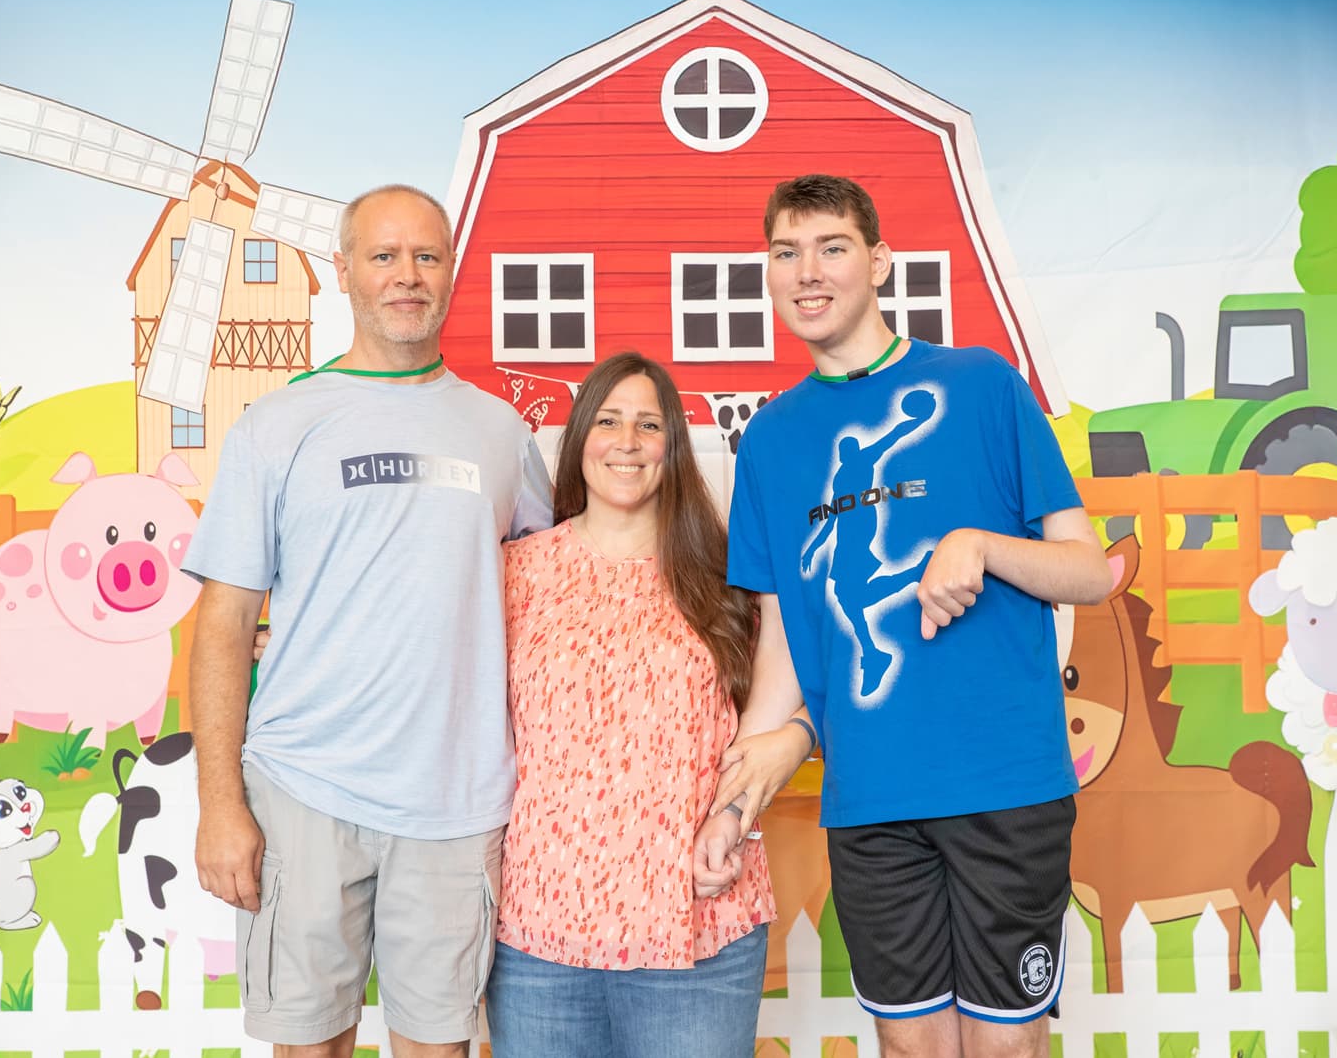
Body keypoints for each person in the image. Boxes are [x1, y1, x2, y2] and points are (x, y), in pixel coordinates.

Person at [698, 174, 1112, 1058]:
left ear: (879, 262)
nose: (807, 272)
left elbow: (1090, 573)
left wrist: (983, 545)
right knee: (910, 1047)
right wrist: (730, 805)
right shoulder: (771, 440)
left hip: (1006, 787)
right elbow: (781, 641)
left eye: (831, 247)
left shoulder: (982, 384)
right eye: (785, 253)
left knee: (1004, 1046)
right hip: (871, 800)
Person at [184, 184, 552, 1058]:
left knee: (441, 1046)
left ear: (451, 272)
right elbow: (224, 624)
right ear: (343, 270)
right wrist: (219, 805)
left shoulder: (501, 433)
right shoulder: (276, 426)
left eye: (426, 256)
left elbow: (550, 583)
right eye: (384, 256)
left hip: (457, 801)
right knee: (308, 1044)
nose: (407, 276)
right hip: (306, 790)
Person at [483, 352, 778, 1058]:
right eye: (609, 420)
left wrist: (735, 816)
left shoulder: (727, 577)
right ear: (579, 435)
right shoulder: (511, 573)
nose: (628, 439)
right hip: (540, 940)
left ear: (672, 447)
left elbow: (785, 714)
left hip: (700, 926)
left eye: (650, 424)